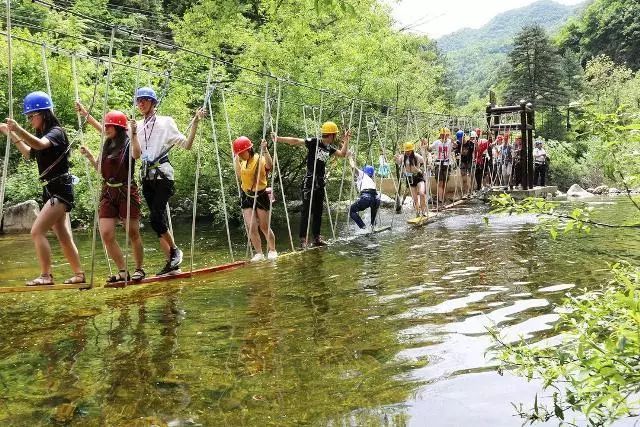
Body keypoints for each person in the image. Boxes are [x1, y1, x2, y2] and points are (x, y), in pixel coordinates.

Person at [0, 91, 84, 285]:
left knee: (36, 231)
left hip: (60, 190)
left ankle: (46, 276)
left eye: (31, 116)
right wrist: (11, 133)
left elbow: (38, 145)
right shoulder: (41, 133)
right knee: (62, 234)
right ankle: (79, 274)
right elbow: (30, 153)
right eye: (27, 118)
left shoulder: (56, 132)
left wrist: (18, 129)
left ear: (43, 113)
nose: (29, 120)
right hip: (50, 190)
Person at [134, 86, 205, 275]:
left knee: (156, 216)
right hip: (147, 177)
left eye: (145, 100)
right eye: (138, 101)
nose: (141, 104)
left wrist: (195, 122)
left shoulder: (166, 122)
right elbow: (112, 134)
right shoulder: (137, 127)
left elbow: (187, 145)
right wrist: (86, 115)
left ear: (153, 103)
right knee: (158, 223)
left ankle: (175, 250)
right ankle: (172, 263)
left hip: (163, 175)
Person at [75, 103, 145, 282]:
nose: (106, 129)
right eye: (105, 126)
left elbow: (137, 155)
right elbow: (101, 169)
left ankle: (139, 268)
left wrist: (135, 133)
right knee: (106, 233)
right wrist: (90, 156)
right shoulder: (107, 145)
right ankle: (122, 271)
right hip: (108, 192)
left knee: (132, 232)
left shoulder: (129, 143)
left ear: (119, 128)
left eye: (109, 126)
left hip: (126, 190)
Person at [274, 121, 350, 248]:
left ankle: (316, 237)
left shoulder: (328, 148)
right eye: (335, 135)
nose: (335, 137)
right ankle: (303, 239)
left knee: (318, 211)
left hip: (320, 182)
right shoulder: (315, 142)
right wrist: (278, 139)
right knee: (306, 211)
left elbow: (342, 154)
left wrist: (346, 140)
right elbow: (296, 141)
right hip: (309, 181)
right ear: (331, 135)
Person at [233, 136, 277, 261]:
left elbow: (270, 165)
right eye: (239, 154)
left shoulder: (259, 159)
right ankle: (259, 253)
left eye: (242, 153)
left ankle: (272, 250)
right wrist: (235, 157)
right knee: (251, 226)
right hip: (247, 196)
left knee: (264, 226)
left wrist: (266, 150)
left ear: (249, 150)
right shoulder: (243, 162)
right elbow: (238, 174)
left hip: (261, 195)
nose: (241, 155)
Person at [348, 152, 380, 231]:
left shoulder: (362, 175)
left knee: (351, 210)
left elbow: (353, 167)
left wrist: (349, 157)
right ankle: (373, 227)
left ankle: (364, 228)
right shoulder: (371, 180)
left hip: (366, 197)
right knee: (373, 214)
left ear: (364, 171)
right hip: (376, 199)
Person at [395, 141, 427, 217]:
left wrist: (424, 151)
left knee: (422, 193)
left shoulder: (416, 156)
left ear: (412, 150)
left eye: (409, 151)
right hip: (409, 178)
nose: (407, 152)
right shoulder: (403, 157)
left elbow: (424, 160)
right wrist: (396, 158)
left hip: (418, 176)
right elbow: (398, 162)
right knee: (415, 198)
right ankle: (417, 212)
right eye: (406, 151)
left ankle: (423, 211)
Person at [430, 128, 453, 205]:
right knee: (440, 182)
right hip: (438, 164)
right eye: (443, 135)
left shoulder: (450, 142)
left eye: (446, 135)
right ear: (440, 135)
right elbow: (429, 148)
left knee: (445, 182)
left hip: (447, 164)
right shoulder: (437, 142)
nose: (444, 136)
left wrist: (453, 141)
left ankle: (444, 197)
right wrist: (425, 145)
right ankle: (440, 199)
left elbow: (457, 145)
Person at [459, 131, 475, 196]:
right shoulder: (459, 144)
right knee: (464, 178)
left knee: (472, 176)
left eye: (461, 138)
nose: (460, 140)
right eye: (459, 138)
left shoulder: (470, 143)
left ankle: (472, 191)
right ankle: (465, 192)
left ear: (464, 136)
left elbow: (476, 149)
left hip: (470, 162)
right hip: (463, 162)